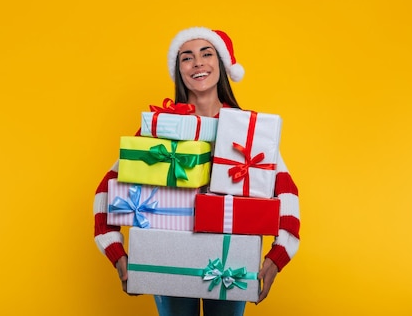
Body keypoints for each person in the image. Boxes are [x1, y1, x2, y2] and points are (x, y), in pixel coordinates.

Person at [92, 27, 301, 316]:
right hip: (168, 255)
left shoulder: (248, 131)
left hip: (229, 260)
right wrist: (117, 254)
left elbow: (286, 190)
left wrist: (278, 256)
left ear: (222, 64)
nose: (198, 63)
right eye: (187, 58)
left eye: (207, 54)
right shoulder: (160, 128)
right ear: (179, 71)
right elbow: (107, 188)